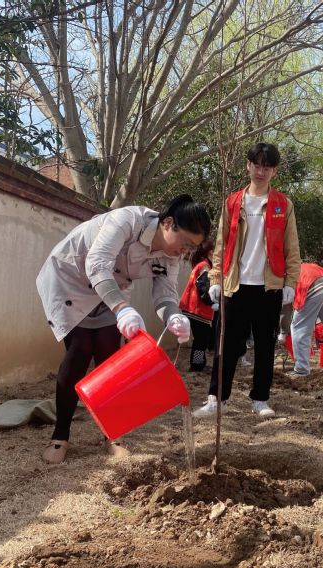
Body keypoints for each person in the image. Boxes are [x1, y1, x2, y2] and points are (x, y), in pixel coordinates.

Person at [36, 195, 211, 464]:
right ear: (168, 223)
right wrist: (122, 308)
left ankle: (112, 434)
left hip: (111, 289)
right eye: (186, 242)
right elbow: (96, 265)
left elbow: (164, 294)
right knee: (80, 349)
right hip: (70, 279)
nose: (186, 251)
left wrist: (174, 317)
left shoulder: (170, 256)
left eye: (192, 247)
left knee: (110, 355)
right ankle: (60, 436)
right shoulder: (127, 221)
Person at [194, 142, 301, 418]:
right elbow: (221, 243)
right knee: (226, 344)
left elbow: (292, 247)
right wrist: (216, 277)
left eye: (267, 166)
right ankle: (217, 399)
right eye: (257, 165)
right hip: (235, 284)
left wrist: (290, 282)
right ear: (248, 166)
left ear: (274, 171)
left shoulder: (282, 204)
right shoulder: (232, 202)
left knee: (265, 345)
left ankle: (260, 399)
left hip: (269, 285)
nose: (261, 171)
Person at [179, 240, 216, 372]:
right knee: (201, 340)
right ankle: (197, 365)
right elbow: (204, 286)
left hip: (191, 307)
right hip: (198, 309)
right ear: (211, 252)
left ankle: (198, 363)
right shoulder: (205, 266)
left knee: (200, 339)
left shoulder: (200, 265)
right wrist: (212, 302)